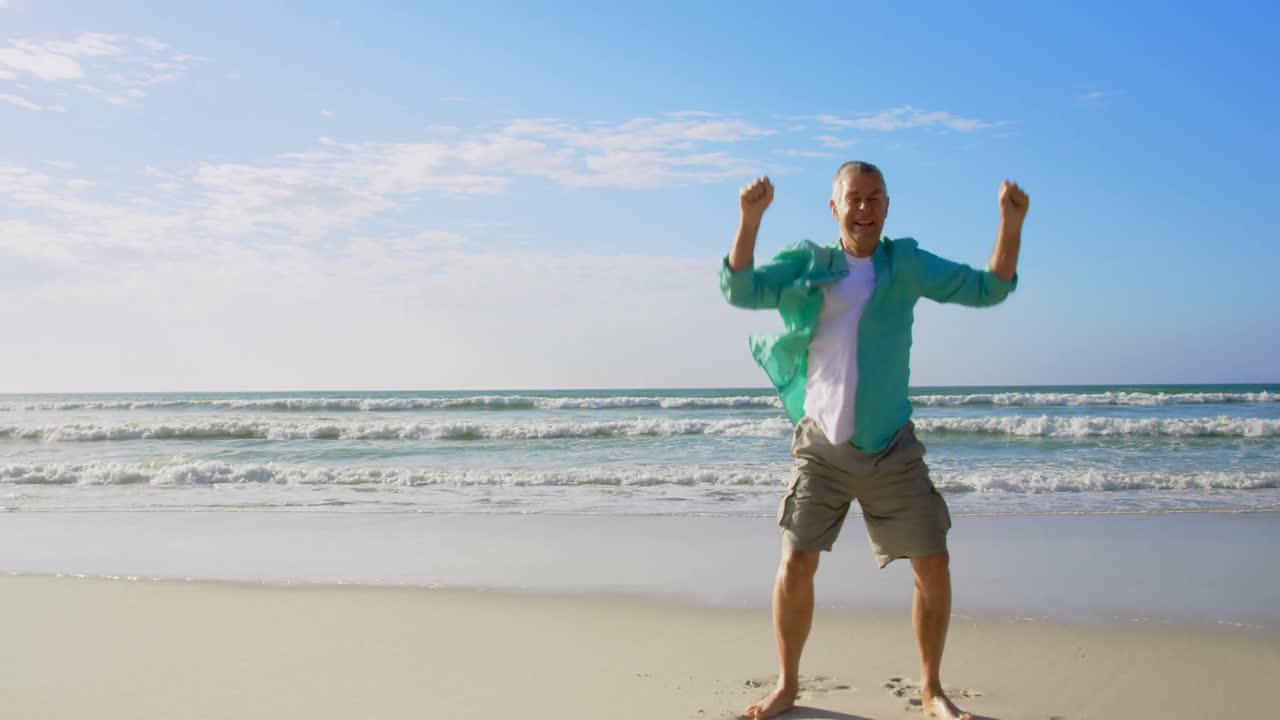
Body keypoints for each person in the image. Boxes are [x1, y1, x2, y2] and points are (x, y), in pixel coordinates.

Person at [720, 161, 1028, 720]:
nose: (864, 208)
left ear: (887, 206)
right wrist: (750, 219)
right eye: (853, 198)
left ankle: (931, 689)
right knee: (796, 562)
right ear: (834, 207)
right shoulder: (809, 263)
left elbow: (990, 288)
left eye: (874, 198)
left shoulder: (903, 264)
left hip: (891, 448)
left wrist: (1010, 224)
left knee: (933, 564)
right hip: (821, 447)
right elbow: (741, 289)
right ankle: (787, 685)